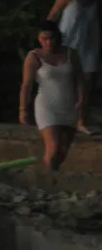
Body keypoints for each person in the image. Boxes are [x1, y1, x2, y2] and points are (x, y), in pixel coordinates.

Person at [20, 20, 90, 171]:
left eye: (51, 38)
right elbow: (27, 85)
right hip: (46, 105)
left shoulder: (71, 54)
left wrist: (82, 100)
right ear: (39, 39)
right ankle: (48, 183)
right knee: (53, 147)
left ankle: (52, 177)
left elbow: (80, 80)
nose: (48, 42)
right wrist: (23, 109)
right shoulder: (34, 57)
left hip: (68, 104)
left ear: (57, 37)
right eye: (44, 39)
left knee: (63, 150)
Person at [47, 0, 101, 104]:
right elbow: (53, 15)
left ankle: (81, 114)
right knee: (65, 75)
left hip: (89, 43)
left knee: (87, 78)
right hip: (67, 41)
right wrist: (47, 35)